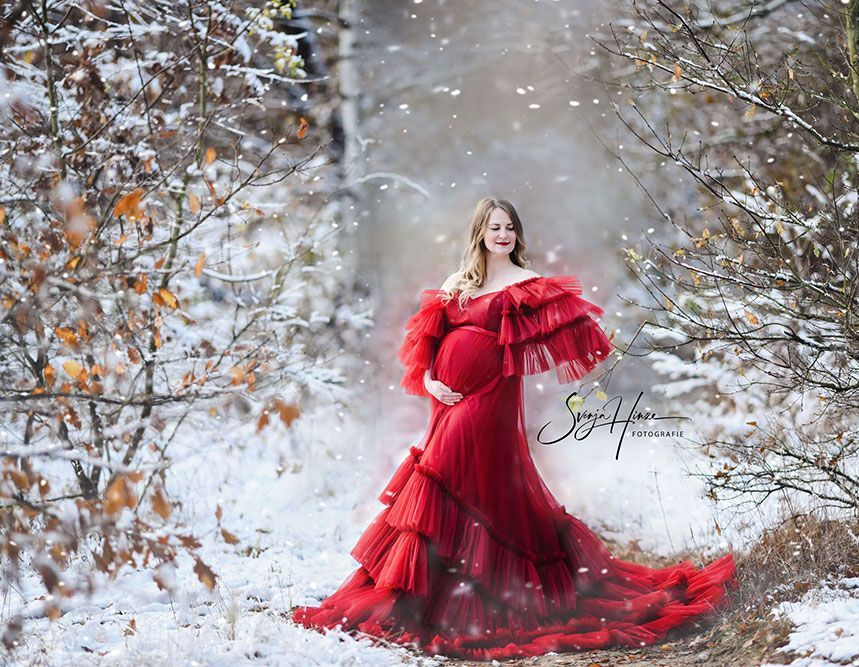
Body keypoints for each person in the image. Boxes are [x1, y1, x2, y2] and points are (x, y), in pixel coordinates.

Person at [290, 197, 738, 661]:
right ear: (480, 233)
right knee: (456, 488)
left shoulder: (525, 284)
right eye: (493, 226)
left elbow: (574, 321)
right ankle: (425, 598)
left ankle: (462, 599)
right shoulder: (459, 283)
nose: (501, 234)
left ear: (516, 234)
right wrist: (430, 381)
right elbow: (428, 343)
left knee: (440, 477)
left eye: (508, 227)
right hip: (446, 401)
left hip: (489, 402)